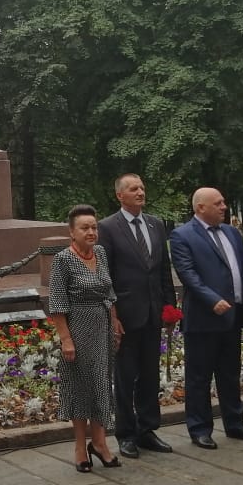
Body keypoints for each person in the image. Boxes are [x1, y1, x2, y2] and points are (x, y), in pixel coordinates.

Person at [170, 188, 243, 448]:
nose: (224, 206)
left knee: (230, 373)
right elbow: (188, 274)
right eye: (218, 203)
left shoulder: (232, 233)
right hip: (203, 319)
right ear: (201, 207)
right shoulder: (182, 235)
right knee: (199, 377)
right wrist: (212, 300)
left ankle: (235, 423)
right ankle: (200, 428)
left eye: (224, 201)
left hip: (232, 316)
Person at [96, 173, 177, 459]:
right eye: (133, 189)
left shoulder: (155, 225)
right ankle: (126, 434)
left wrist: (170, 305)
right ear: (120, 195)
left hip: (154, 313)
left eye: (142, 187)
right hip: (126, 316)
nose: (140, 192)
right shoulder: (107, 228)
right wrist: (112, 314)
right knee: (126, 376)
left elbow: (163, 270)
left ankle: (147, 430)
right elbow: (104, 276)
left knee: (149, 376)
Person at [48, 205, 125, 471]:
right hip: (78, 329)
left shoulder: (101, 254)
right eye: (85, 228)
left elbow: (109, 292)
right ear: (72, 232)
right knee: (82, 389)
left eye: (94, 227)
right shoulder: (62, 260)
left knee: (102, 384)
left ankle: (101, 443)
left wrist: (114, 322)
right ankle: (81, 447)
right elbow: (57, 303)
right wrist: (66, 340)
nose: (91, 232)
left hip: (103, 326)